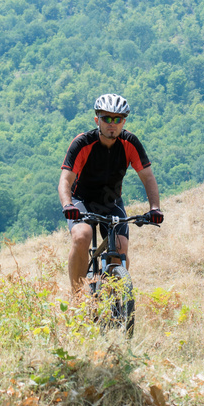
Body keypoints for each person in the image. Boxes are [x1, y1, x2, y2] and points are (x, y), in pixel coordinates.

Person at [58, 93, 163, 298]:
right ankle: (78, 299)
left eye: (118, 119)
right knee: (82, 236)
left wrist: (154, 208)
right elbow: (65, 180)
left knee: (121, 248)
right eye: (107, 118)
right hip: (81, 200)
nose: (112, 124)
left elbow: (148, 177)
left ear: (124, 121)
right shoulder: (82, 143)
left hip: (111, 202)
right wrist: (67, 204)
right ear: (97, 120)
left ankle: (115, 304)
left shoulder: (130, 142)